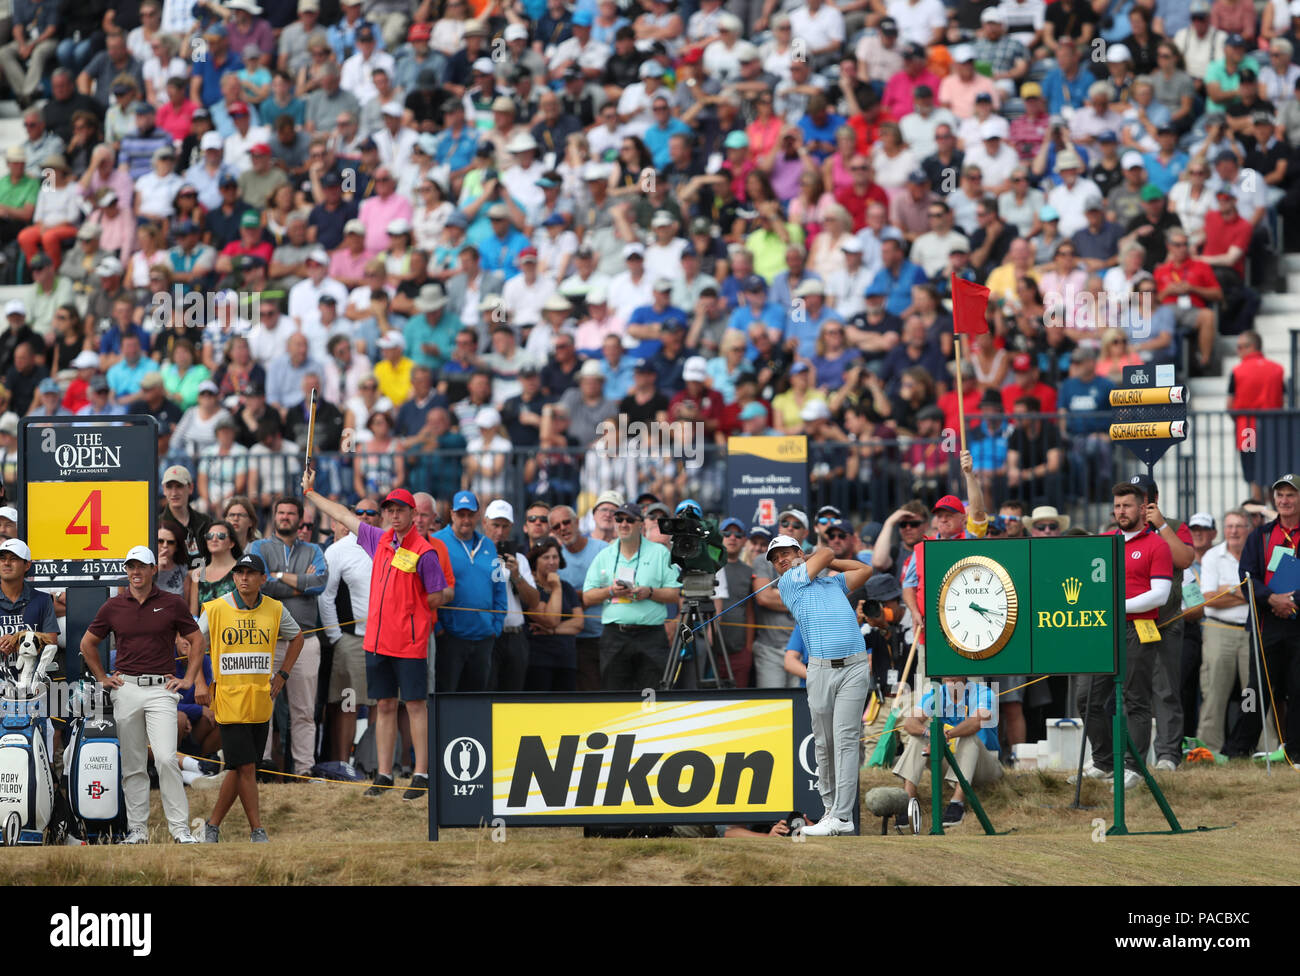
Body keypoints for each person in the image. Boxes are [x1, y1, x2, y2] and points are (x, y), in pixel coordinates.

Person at [303, 473, 449, 798]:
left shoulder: (424, 551)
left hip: (409, 641)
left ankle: (421, 774)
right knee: (383, 705)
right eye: (390, 510)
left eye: (400, 510)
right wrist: (311, 492)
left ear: (413, 514)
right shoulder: (379, 539)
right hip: (377, 640)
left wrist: (420, 602)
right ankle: (384, 775)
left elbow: (437, 595)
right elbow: (342, 514)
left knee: (414, 705)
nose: (394, 515)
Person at [80, 545, 207, 844]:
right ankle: (137, 830)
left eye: (141, 566)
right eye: (131, 567)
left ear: (153, 570)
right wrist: (103, 677)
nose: (135, 572)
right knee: (134, 764)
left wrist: (189, 678)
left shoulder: (172, 603)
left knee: (164, 758)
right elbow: (88, 643)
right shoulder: (113, 605)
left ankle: (180, 830)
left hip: (161, 689)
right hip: (126, 688)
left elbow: (197, 639)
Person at [766, 532, 872, 836]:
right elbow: (824, 554)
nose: (781, 561)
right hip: (821, 671)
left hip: (854, 667)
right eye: (775, 559)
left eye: (785, 554)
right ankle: (830, 810)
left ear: (799, 551)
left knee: (846, 739)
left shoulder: (832, 582)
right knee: (825, 744)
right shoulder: (789, 584)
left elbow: (864, 570)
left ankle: (842, 815)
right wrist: (813, 560)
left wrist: (827, 561)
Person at [196, 552, 304, 843]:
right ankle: (257, 829)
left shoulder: (275, 608)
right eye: (239, 573)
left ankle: (212, 825)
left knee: (240, 766)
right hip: (229, 701)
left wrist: (283, 674)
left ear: (262, 579)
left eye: (250, 573)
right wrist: (199, 682)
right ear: (233, 577)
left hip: (260, 701)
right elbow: (195, 643)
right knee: (245, 766)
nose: (243, 578)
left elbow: (298, 637)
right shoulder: (216, 608)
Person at [1075, 483, 1172, 790]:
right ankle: (1104, 762)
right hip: (1102, 629)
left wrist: (1117, 607)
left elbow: (1160, 594)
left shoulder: (1157, 545)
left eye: (1127, 506)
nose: (1121, 511)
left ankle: (1134, 767)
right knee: (1086, 697)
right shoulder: (1103, 542)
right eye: (1117, 506)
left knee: (1135, 700)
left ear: (1144, 509)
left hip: (1138, 628)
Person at [248, 496, 329, 777]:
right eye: (281, 513)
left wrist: (278, 576)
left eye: (291, 513)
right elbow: (258, 584)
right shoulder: (258, 547)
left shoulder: (314, 549)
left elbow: (319, 582)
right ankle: (263, 765)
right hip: (267, 639)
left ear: (300, 518)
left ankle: (305, 769)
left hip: (305, 639)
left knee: (304, 709)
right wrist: (297, 583)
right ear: (274, 516)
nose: (285, 517)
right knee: (263, 706)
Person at [581, 502, 681, 690]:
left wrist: (649, 592)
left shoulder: (660, 553)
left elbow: (675, 594)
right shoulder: (605, 555)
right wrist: (610, 591)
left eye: (629, 520)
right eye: (619, 519)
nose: (623, 524)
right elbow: (587, 597)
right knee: (614, 697)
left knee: (653, 696)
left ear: (641, 524)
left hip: (651, 635)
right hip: (615, 635)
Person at [1236, 473, 1300, 763]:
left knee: (1298, 687)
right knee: (1256, 689)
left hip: (1298, 622)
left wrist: (1292, 601)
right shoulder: (1260, 535)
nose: (1284, 500)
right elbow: (1246, 576)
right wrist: (1271, 599)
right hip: (1266, 623)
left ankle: (1295, 750)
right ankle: (1239, 748)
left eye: (1291, 495)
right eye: (1280, 495)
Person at [893, 675, 1003, 828]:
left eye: (952, 672)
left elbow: (975, 723)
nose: (948, 676)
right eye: (945, 673)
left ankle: (956, 804)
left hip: (984, 767)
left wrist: (945, 736)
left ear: (964, 674)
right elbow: (910, 723)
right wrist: (930, 734)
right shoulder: (936, 693)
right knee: (918, 738)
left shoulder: (984, 693)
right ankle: (908, 803)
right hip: (952, 761)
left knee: (969, 736)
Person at [317, 498, 379, 765]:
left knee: (382, 703)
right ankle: (342, 764)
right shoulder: (337, 550)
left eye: (371, 512)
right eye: (359, 512)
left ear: (379, 517)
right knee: (347, 704)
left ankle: (376, 764)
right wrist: (336, 637)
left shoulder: (390, 544)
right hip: (351, 640)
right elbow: (325, 597)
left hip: (385, 640)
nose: (365, 516)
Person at [433, 490, 506, 692]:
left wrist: (496, 625)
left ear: (477, 516)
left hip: (484, 637)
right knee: (446, 699)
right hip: (450, 638)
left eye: (470, 514)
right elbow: (427, 587)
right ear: (452, 514)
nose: (465, 519)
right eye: (461, 514)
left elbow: (499, 586)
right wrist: (438, 627)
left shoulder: (489, 545)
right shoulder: (437, 542)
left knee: (477, 701)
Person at [1197, 508, 1249, 756]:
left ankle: (1261, 747)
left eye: (1239, 526)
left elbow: (1263, 593)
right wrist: (1247, 593)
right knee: (1215, 693)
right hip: (1219, 631)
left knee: (1253, 694)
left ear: (1248, 529)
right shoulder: (1211, 557)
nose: (1234, 531)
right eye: (1230, 526)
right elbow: (1209, 599)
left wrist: (1228, 590)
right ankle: (1209, 749)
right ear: (1224, 530)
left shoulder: (1254, 555)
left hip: (1251, 632)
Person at [481, 500, 540, 691]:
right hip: (487, 634)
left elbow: (533, 601)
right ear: (485, 523)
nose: (499, 532)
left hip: (515, 635)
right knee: (487, 694)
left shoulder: (519, 559)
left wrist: (517, 576)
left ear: (511, 527)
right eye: (495, 525)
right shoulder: (476, 554)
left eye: (504, 526)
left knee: (513, 697)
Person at [549, 504, 607, 690]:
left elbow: (616, 588)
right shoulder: (554, 560)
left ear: (577, 522)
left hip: (609, 635)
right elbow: (561, 603)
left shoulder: (603, 550)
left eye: (566, 522)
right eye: (556, 526)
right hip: (577, 641)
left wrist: (577, 596)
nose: (563, 528)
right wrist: (593, 592)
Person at [526, 536, 585, 690]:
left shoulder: (567, 587)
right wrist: (556, 588)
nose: (552, 562)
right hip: (538, 661)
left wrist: (552, 631)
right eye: (546, 557)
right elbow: (552, 619)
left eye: (555, 557)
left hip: (566, 661)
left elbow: (578, 624)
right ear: (535, 561)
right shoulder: (530, 589)